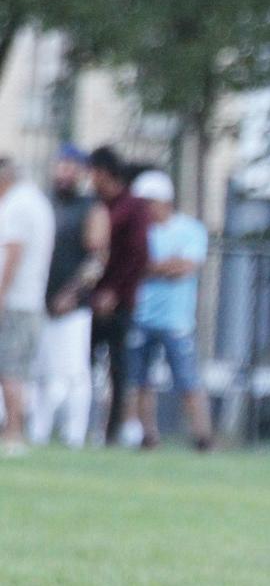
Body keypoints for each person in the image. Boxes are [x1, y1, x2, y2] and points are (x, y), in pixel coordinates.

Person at [127, 170, 213, 450]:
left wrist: (153, 267)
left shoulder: (190, 230)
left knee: (187, 380)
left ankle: (202, 437)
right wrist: (163, 266)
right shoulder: (139, 231)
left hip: (177, 320)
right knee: (140, 381)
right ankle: (148, 436)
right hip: (141, 315)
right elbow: (134, 266)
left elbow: (185, 267)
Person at [29, 145, 108, 448]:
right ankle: (37, 430)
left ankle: (74, 434)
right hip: (40, 300)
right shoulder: (45, 203)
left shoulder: (91, 208)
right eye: (61, 166)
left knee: (74, 372)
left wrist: (73, 293)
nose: (64, 173)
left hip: (73, 305)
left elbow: (97, 259)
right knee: (39, 371)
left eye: (71, 168)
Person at [87, 146, 149, 445]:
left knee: (118, 368)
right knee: (83, 362)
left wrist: (114, 291)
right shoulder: (95, 205)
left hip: (119, 301)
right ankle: (82, 425)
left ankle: (112, 431)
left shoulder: (133, 207)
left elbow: (136, 255)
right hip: (88, 298)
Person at [0, 157, 55, 452]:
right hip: (30, 299)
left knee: (10, 367)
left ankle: (13, 432)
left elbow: (13, 252)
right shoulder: (37, 201)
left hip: (16, 300)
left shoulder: (17, 205)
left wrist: (1, 294)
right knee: (17, 367)